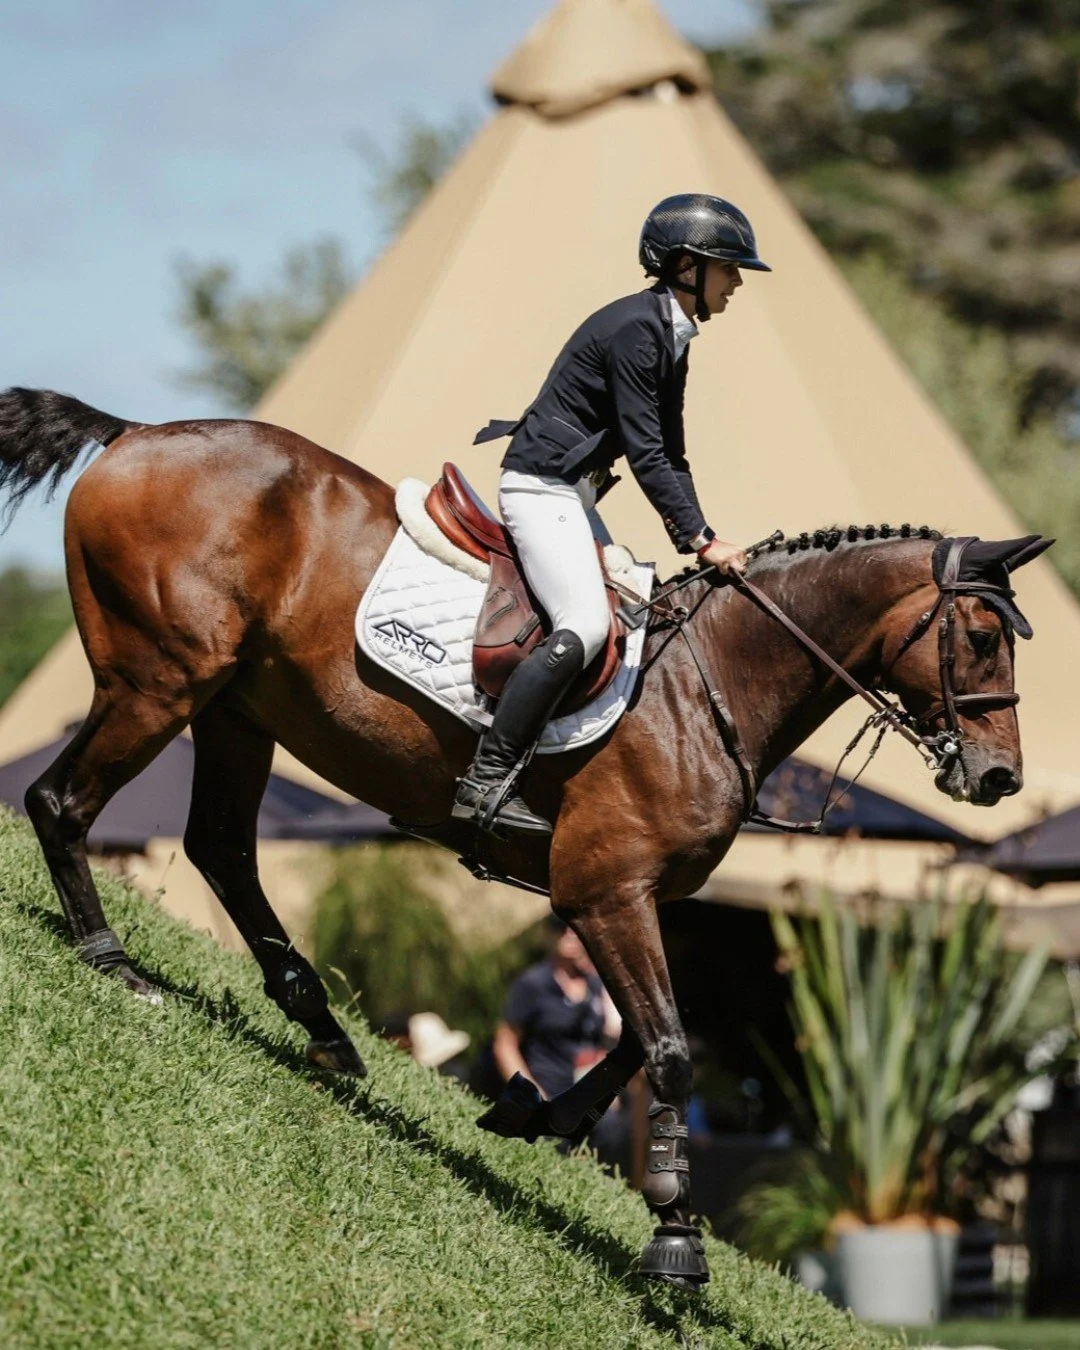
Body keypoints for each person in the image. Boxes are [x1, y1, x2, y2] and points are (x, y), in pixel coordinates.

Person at [454, 192, 771, 838]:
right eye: (728, 267)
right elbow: (647, 451)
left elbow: (672, 454)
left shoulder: (670, 332)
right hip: (541, 487)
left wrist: (699, 537)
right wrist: (700, 538)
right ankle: (484, 781)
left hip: (573, 493)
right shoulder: (638, 329)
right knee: (586, 626)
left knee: (632, 610)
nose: (737, 281)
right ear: (687, 266)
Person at [492, 920, 620, 1106]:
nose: (569, 933)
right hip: (552, 1096)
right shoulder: (533, 984)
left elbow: (607, 1037)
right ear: (548, 933)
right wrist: (532, 1095)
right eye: (560, 925)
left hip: (594, 1098)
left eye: (576, 927)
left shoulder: (594, 982)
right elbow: (505, 1044)